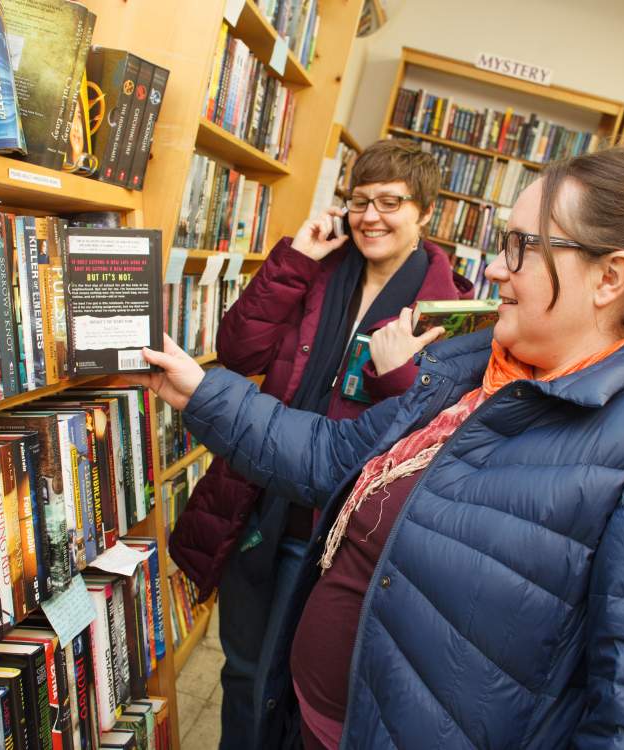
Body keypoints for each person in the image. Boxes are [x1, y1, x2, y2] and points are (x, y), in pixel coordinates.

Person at [139, 138, 624, 748]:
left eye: (521, 247)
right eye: (503, 244)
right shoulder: (472, 371)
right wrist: (202, 392)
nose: (495, 267)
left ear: (610, 277)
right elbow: (334, 457)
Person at [167, 139, 473, 749]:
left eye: (392, 202)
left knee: (289, 689)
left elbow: (428, 431)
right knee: (242, 670)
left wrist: (397, 374)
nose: (371, 217)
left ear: (425, 213)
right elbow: (239, 351)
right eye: (360, 201)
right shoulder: (320, 269)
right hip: (258, 502)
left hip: (336, 527)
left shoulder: (451, 306)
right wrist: (295, 260)